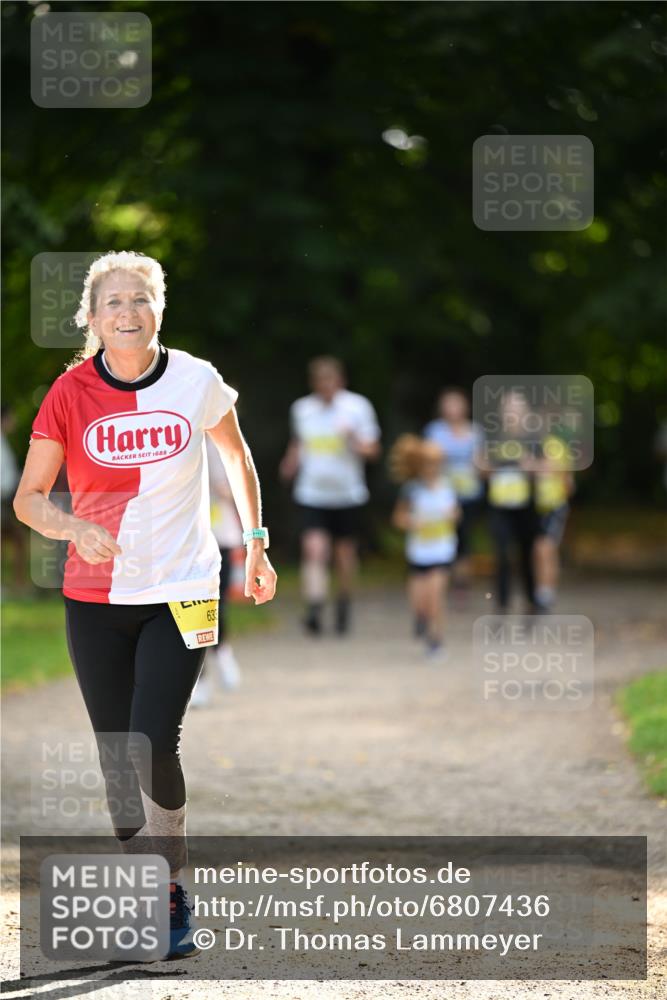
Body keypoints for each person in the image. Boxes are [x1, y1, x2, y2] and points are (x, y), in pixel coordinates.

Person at [13, 251, 277, 961]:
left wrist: (254, 542)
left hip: (186, 584)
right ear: (92, 318)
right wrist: (74, 527)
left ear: (159, 307)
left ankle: (171, 894)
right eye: (113, 303)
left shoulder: (195, 380)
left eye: (140, 299)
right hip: (95, 594)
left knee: (154, 740)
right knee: (115, 754)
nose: (127, 313)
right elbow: (29, 499)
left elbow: (236, 456)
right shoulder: (68, 392)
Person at [279, 356, 380, 635]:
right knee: (314, 550)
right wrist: (291, 462)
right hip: (312, 493)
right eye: (320, 381)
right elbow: (299, 442)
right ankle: (314, 608)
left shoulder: (357, 408)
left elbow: (373, 451)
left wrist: (354, 440)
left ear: (341, 381)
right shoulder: (302, 409)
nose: (326, 386)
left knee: (344, 555)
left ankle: (344, 603)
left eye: (331, 381)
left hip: (348, 495)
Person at [390, 434, 460, 659]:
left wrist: (452, 516)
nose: (433, 468)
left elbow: (457, 513)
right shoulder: (412, 490)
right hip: (419, 554)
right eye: (429, 463)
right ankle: (420, 618)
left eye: (437, 463)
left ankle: (436, 640)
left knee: (435, 597)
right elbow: (398, 518)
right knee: (420, 602)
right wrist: (411, 521)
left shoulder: (448, 486)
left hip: (442, 551)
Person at [190, 437, 243, 706]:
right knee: (191, 607)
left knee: (215, 603)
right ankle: (200, 677)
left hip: (221, 534)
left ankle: (222, 651)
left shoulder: (223, 443)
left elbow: (240, 486)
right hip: (187, 539)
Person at [423, 388, 484, 601]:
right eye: (448, 404)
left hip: (468, 495)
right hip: (441, 494)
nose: (453, 410)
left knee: (463, 540)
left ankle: (461, 584)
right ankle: (438, 579)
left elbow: (482, 464)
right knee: (443, 536)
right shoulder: (434, 431)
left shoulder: (475, 432)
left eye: (456, 404)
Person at [481, 390, 539, 613]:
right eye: (509, 409)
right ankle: (502, 603)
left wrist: (530, 466)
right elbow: (481, 468)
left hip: (526, 506)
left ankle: (532, 600)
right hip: (500, 506)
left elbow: (545, 468)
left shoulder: (534, 439)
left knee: (526, 554)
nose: (512, 413)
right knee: (502, 553)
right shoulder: (493, 438)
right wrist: (489, 467)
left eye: (517, 408)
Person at [533, 431, 575, 610]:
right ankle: (541, 591)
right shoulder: (526, 445)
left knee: (546, 548)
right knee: (538, 550)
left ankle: (546, 593)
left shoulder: (557, 447)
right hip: (534, 509)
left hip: (553, 507)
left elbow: (568, 483)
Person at [1, 405, 29, 594]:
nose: (14, 422)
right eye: (11, 417)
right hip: (2, 500)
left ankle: (16, 585)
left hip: (7, 501)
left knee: (16, 541)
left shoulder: (4, 441)